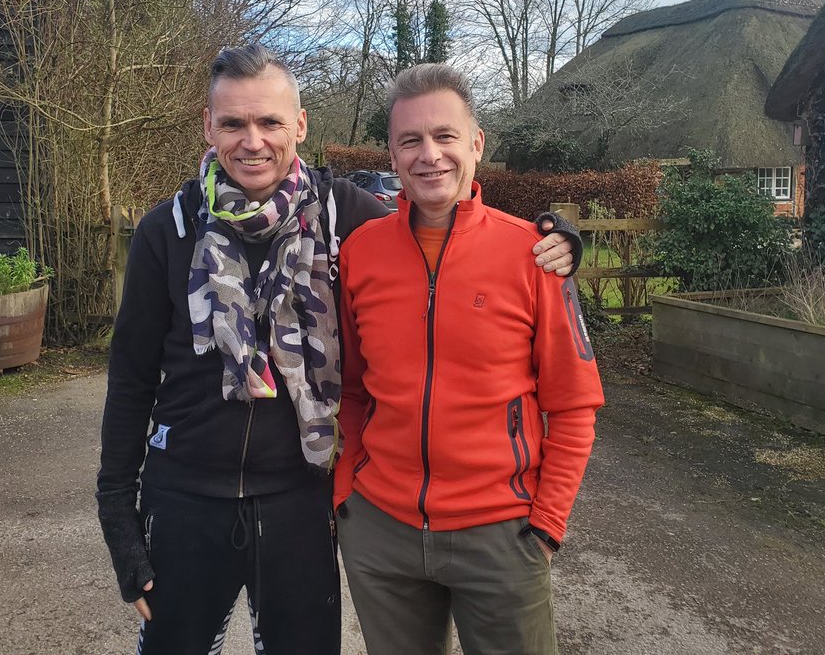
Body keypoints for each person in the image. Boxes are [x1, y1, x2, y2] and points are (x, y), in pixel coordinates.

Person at [95, 44, 581, 655]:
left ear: (299, 125)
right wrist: (118, 519)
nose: (252, 141)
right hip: (185, 501)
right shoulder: (166, 230)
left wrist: (554, 237)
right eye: (233, 123)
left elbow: (432, 225)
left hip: (299, 503)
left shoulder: (343, 215)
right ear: (208, 126)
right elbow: (132, 379)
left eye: (270, 122)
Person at [334, 62, 605, 655]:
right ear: (392, 153)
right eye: (410, 140)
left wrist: (547, 524)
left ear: (477, 144)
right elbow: (353, 389)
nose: (429, 155)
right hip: (381, 531)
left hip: (501, 535)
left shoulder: (535, 255)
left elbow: (575, 403)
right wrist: (347, 491)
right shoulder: (360, 254)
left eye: (445, 135)